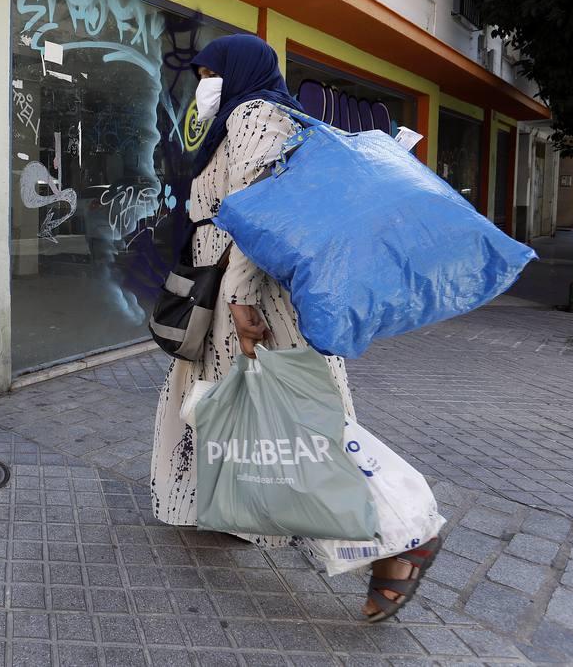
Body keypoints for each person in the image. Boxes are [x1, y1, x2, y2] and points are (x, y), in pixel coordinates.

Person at [148, 34, 440, 623]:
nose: (203, 83)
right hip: (227, 290)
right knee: (228, 412)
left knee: (305, 429)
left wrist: (239, 298)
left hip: (249, 301)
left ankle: (402, 539)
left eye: (210, 72)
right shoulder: (252, 118)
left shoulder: (257, 116)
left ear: (239, 72)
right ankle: (238, 511)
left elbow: (260, 217)